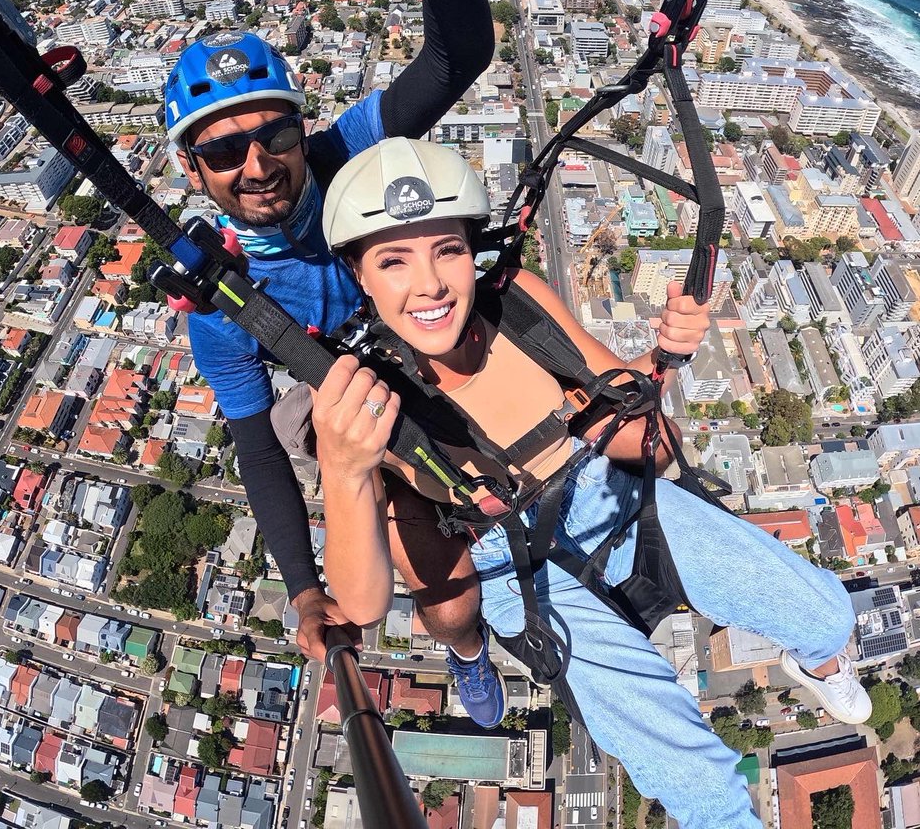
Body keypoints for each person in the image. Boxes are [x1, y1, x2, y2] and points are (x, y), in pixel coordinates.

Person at [311, 137, 870, 829]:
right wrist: (342, 467)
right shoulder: (359, 396)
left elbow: (618, 400)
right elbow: (362, 604)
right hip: (507, 562)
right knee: (695, 776)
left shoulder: (515, 307)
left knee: (829, 619)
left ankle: (819, 664)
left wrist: (665, 350)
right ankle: (472, 658)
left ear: (470, 251)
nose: (428, 284)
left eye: (446, 250)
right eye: (393, 261)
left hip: (604, 492)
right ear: (359, 276)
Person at [165, 0, 504, 724]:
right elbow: (254, 452)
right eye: (224, 150)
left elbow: (453, 59)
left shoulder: (341, 154)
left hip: (418, 334)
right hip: (349, 399)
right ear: (194, 172)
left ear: (299, 125)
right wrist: (302, 585)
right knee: (440, 586)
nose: (259, 162)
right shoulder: (222, 298)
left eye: (271, 132)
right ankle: (472, 648)